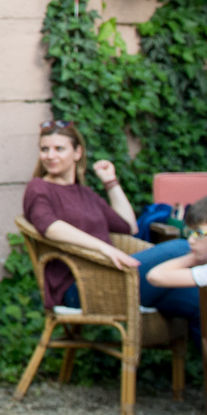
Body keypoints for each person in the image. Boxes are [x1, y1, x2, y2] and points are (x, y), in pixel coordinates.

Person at [21, 120, 138, 308]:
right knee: (179, 250)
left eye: (59, 149)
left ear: (77, 152)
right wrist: (104, 248)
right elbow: (49, 227)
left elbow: (129, 227)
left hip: (111, 275)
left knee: (187, 297)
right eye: (44, 149)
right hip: (79, 286)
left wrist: (110, 182)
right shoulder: (39, 188)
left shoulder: (85, 193)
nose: (50, 156)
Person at [133, 192, 207, 345]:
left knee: (181, 248)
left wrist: (192, 258)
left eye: (199, 233)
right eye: (190, 232)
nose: (191, 240)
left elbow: (155, 276)